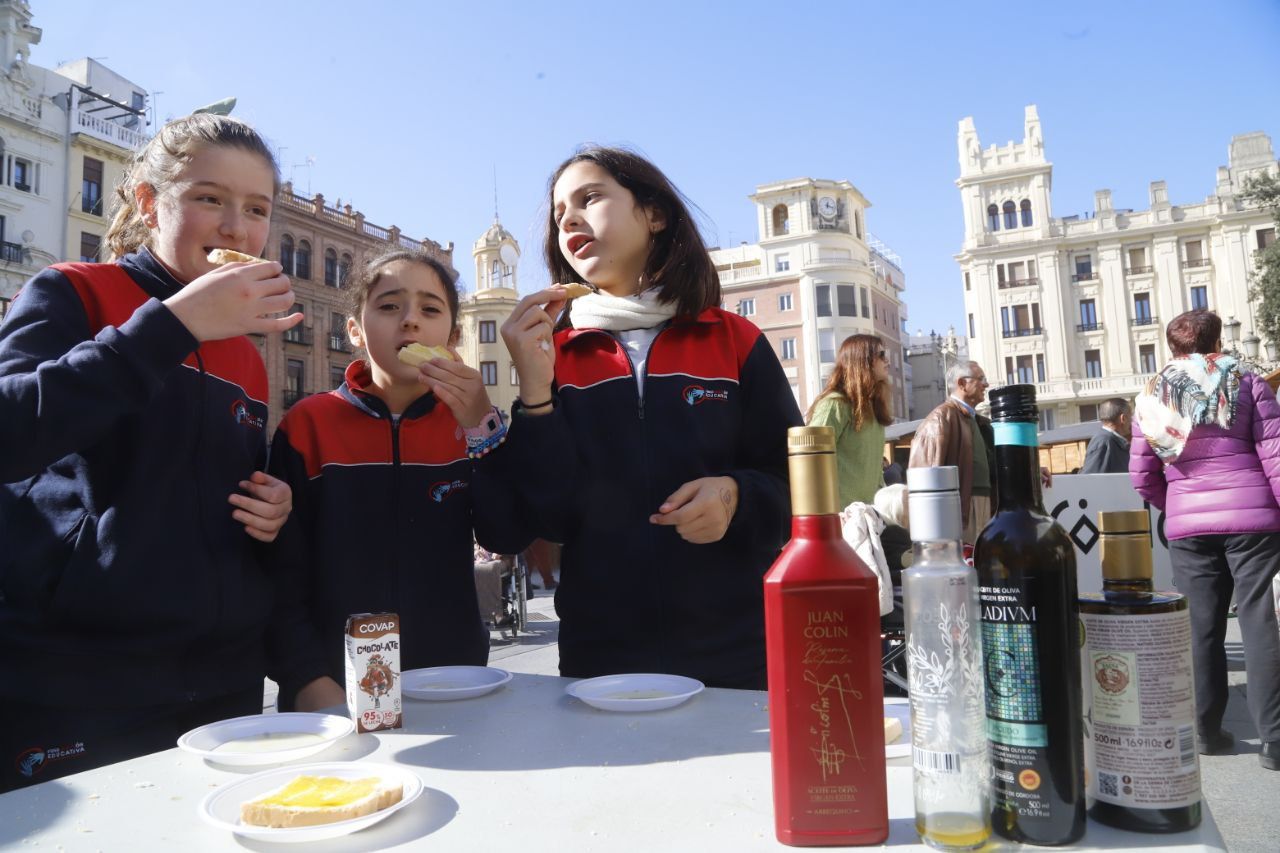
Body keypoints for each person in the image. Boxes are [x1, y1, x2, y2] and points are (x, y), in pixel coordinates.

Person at [0, 114, 299, 790]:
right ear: (147, 202)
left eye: (256, 209)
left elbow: (199, 488)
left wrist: (271, 504)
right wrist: (169, 327)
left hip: (224, 682)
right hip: (76, 683)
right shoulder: (72, 290)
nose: (235, 226)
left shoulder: (248, 356)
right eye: (208, 198)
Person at [500, 146, 802, 689]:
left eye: (589, 198)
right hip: (600, 659)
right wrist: (535, 395)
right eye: (558, 212)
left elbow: (798, 490)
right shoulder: (556, 353)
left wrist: (736, 495)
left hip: (737, 653)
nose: (568, 218)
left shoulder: (736, 341)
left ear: (654, 214)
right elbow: (546, 520)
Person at [265, 251, 533, 712]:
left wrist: (480, 425)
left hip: (453, 676)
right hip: (332, 684)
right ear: (355, 330)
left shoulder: (472, 424)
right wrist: (305, 675)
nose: (410, 322)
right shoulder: (309, 423)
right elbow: (276, 570)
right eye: (389, 306)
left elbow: (506, 534)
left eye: (430, 309)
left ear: (452, 337)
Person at [1131, 309, 1280, 770]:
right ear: (1217, 341)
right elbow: (1274, 452)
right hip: (1253, 520)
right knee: (1258, 622)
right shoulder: (1249, 382)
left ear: (1171, 347)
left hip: (1189, 526)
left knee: (1201, 629)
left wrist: (1176, 503)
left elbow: (1142, 475)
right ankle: (1275, 742)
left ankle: (1207, 733)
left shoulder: (1153, 395)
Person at [908, 361, 996, 544]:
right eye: (981, 379)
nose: (986, 385)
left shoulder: (978, 422)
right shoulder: (941, 418)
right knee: (968, 565)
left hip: (982, 505)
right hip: (963, 511)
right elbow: (926, 478)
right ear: (962, 383)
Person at [806, 334, 895, 508]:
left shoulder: (873, 407)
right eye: (882, 355)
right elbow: (810, 462)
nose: (888, 361)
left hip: (869, 518)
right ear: (862, 360)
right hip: (838, 521)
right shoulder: (834, 404)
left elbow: (874, 471)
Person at [1080, 397, 1131, 474]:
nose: (1132, 421)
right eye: (1130, 416)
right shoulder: (1104, 442)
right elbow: (1091, 481)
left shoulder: (1107, 440)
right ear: (1123, 418)